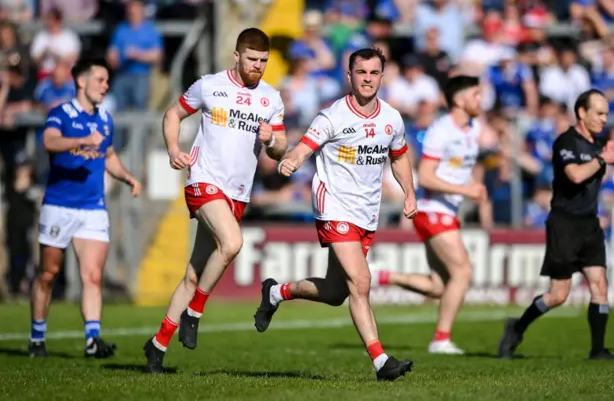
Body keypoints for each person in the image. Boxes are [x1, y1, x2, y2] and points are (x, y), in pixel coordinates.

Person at [253, 47, 417, 382]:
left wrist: (410, 192)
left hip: (366, 212)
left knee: (335, 292)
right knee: (361, 282)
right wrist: (294, 160)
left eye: (373, 73)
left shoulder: (391, 119)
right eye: (361, 72)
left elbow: (399, 157)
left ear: (381, 77)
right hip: (334, 206)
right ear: (350, 76)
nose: (367, 79)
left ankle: (275, 292)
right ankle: (381, 361)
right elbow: (305, 145)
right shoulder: (333, 116)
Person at [143, 28, 288, 373]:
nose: (258, 66)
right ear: (236, 56)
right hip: (203, 181)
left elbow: (281, 147)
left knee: (194, 274)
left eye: (264, 61)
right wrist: (173, 149)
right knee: (233, 242)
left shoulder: (271, 98)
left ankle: (157, 344)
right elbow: (172, 115)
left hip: (236, 193)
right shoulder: (209, 85)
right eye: (252, 59)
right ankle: (195, 313)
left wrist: (272, 141)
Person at [498, 89, 614, 360]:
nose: (604, 119)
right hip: (564, 223)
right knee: (558, 294)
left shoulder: (600, 142)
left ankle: (598, 350)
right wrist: (602, 159)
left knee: (600, 285)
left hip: (590, 224)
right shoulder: (565, 143)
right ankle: (517, 326)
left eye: (606, 113)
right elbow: (575, 175)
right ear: (582, 113)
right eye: (599, 113)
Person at [29, 58, 143, 358]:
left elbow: (108, 155)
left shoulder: (105, 119)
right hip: (59, 205)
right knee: (48, 274)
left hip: (93, 208)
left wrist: (128, 176)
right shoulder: (61, 113)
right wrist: (81, 140)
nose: (106, 86)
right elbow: (49, 142)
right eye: (100, 80)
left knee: (92, 276)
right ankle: (37, 337)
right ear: (81, 81)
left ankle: (93, 340)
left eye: (107, 81)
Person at [370, 75, 486, 355]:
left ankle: (380, 276)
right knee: (462, 271)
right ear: (459, 100)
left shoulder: (472, 129)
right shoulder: (441, 131)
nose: (480, 100)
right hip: (433, 210)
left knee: (438, 287)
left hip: (447, 210)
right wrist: (465, 189)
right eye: (476, 95)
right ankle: (441, 339)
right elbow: (426, 177)